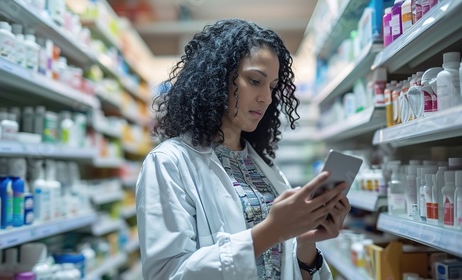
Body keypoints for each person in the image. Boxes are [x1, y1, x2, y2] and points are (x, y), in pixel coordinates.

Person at [136, 19, 351, 280]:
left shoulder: (263, 168)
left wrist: (305, 244)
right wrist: (272, 230)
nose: (267, 98)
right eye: (254, 80)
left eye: (272, 87)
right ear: (216, 77)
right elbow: (166, 274)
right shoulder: (168, 163)